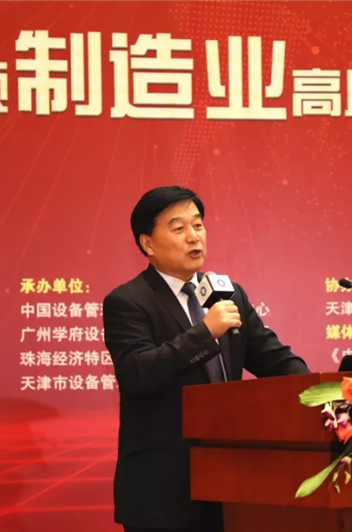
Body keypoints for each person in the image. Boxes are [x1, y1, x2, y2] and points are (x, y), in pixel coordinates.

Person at [103, 186, 310, 532]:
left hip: (231, 480)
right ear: (148, 244)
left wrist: (322, 394)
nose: (193, 236)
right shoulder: (128, 301)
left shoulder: (229, 294)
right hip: (163, 490)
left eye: (198, 225)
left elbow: (275, 361)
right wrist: (205, 333)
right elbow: (137, 373)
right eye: (178, 228)